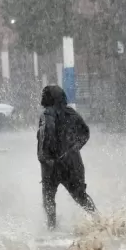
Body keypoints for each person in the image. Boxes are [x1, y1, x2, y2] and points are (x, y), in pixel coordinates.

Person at [37, 85, 97, 230]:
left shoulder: (47, 114)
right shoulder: (72, 113)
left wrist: (46, 157)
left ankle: (51, 228)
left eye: (45, 95)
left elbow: (48, 133)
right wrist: (74, 148)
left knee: (49, 198)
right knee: (81, 196)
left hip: (52, 165)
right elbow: (85, 132)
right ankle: (100, 222)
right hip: (72, 163)